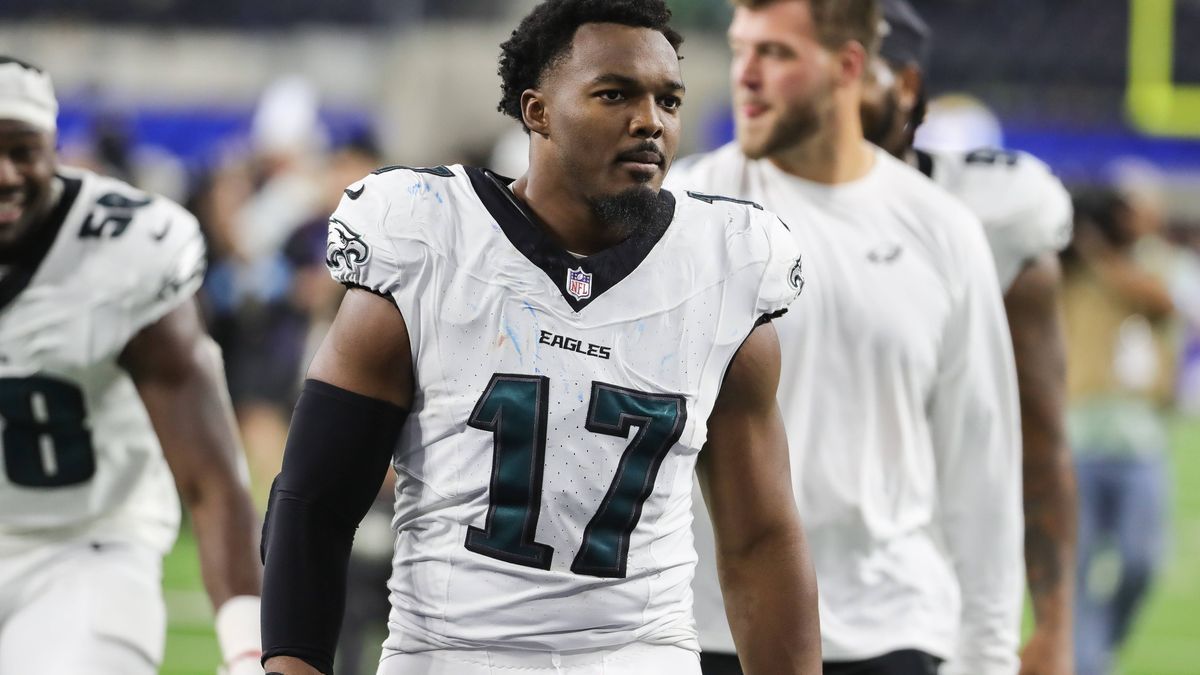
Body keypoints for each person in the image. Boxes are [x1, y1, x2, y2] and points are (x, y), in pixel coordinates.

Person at [259, 2, 821, 675]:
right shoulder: (431, 238)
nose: (651, 121)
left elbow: (760, 539)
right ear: (538, 111)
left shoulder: (724, 266)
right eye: (615, 94)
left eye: (667, 100)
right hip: (452, 655)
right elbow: (315, 503)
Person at [666, 1, 1022, 673]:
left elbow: (983, 461)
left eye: (775, 53)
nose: (745, 75)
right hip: (717, 630)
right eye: (741, 49)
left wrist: (990, 655)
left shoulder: (941, 230)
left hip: (894, 629)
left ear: (848, 67)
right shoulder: (686, 211)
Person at [0, 57, 263, 674]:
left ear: (55, 151)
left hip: (82, 550)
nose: (5, 176)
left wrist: (251, 649)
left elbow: (212, 477)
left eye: (23, 151)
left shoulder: (121, 253)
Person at [858, 2, 1078, 673]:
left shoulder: (989, 215)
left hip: (919, 596)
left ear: (905, 88)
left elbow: (1038, 437)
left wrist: (1054, 625)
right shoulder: (723, 197)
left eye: (853, 69)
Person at [1061, 189, 1175, 675]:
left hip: (1139, 440)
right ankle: (1089, 664)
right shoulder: (1067, 269)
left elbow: (1162, 303)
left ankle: (1100, 646)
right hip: (1078, 438)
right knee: (1078, 571)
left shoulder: (1152, 264)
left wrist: (1100, 250)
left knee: (1141, 561)